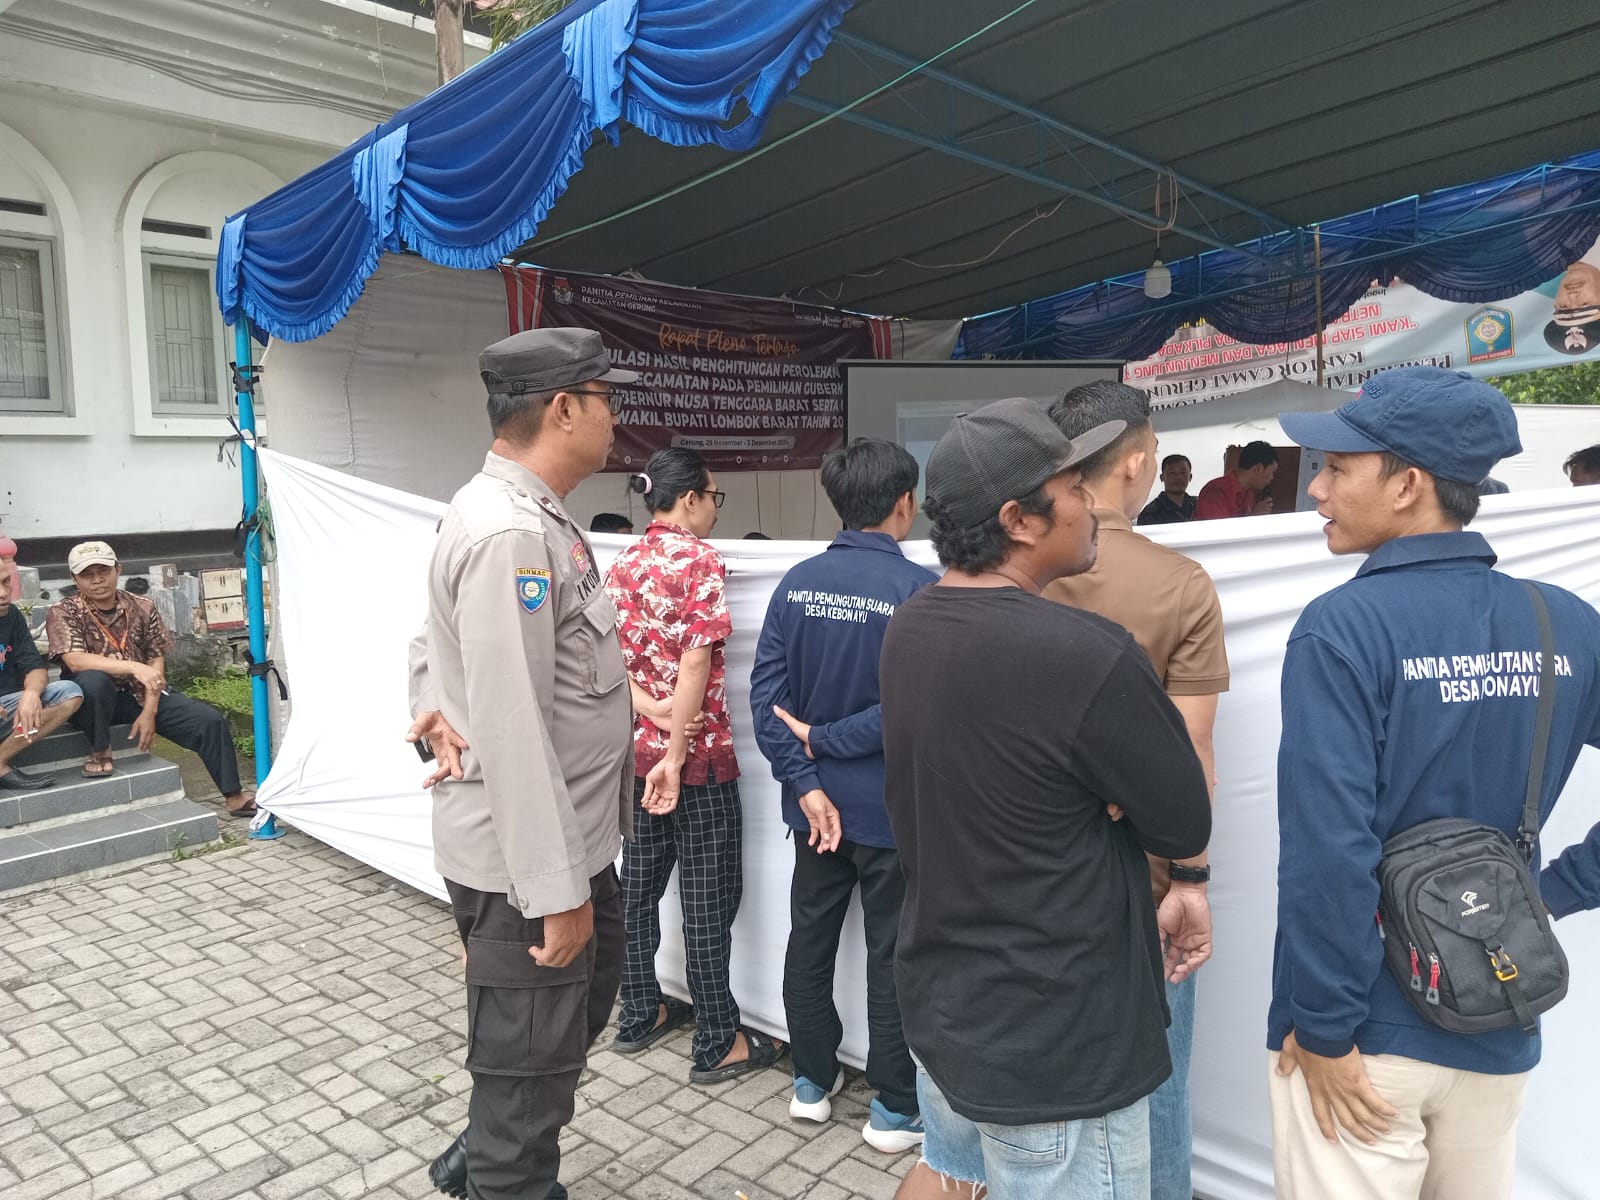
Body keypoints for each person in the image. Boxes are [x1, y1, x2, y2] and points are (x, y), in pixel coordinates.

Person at [1268, 366, 1600, 1200]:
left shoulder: (1344, 627)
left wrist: (1325, 1027)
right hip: (1498, 1007)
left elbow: (1327, 848)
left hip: (1365, 1033)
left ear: (1408, 484)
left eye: (1337, 467)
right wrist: (1551, 894)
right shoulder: (1563, 620)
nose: (1318, 490)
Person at [880, 397, 1212, 1199]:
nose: (1091, 503)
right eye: (1072, 488)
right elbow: (1181, 818)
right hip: (1059, 1038)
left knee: (948, 1169)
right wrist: (1108, 797)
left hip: (949, 998)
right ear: (1018, 520)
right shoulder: (1086, 655)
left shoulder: (911, 625)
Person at [407, 327, 637, 1200]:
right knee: (529, 1072)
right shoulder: (508, 530)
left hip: (570, 843)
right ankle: (502, 1169)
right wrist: (554, 892)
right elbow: (509, 725)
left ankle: (486, 1146)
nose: (616, 415)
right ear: (565, 408)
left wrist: (431, 704)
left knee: (562, 1027)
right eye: (607, 398)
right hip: (528, 870)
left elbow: (431, 640)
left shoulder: (526, 512)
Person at [1046, 381, 1229, 1200]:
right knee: (1157, 1090)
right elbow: (1192, 752)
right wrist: (1191, 877)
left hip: (1026, 876)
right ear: (1135, 460)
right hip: (1142, 883)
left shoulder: (1011, 568)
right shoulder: (1179, 582)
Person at [749, 437, 936, 1153]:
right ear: (905, 502)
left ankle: (810, 1081)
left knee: (811, 937)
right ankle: (893, 1108)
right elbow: (912, 709)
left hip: (815, 812)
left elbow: (767, 702)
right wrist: (825, 749)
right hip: (889, 812)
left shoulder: (796, 584)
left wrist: (807, 779)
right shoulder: (918, 591)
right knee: (892, 953)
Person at [602, 447, 784, 1083]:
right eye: (713, 497)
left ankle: (639, 1012)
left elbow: (606, 657)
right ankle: (716, 1040)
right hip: (696, 763)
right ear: (688, 500)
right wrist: (678, 753)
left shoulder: (623, 563)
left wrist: (651, 711)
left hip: (637, 756)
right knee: (708, 900)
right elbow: (697, 660)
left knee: (637, 889)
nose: (714, 509)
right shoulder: (699, 561)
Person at [45, 542, 253, 813]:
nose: (97, 580)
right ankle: (100, 749)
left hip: (139, 692)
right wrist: (134, 666)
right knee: (94, 679)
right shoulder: (64, 610)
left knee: (208, 721)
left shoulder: (143, 606)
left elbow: (156, 659)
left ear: (118, 570)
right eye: (87, 574)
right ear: (75, 579)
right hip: (92, 701)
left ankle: (234, 796)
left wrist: (150, 711)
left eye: (103, 571)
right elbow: (74, 659)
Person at [0, 564, 82, 791]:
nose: (3, 593)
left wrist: (31, 694)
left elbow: (35, 666)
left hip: (9, 709)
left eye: (6, 582)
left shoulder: (12, 616)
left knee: (69, 693)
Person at [1193, 440, 1279, 519]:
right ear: (1258, 468)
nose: (1272, 477)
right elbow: (1219, 529)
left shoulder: (1249, 493)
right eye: (1272, 471)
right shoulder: (1215, 492)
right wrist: (1254, 517)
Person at [1137, 453, 1198, 525]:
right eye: (1172, 473)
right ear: (1162, 477)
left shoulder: (1199, 505)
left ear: (1190, 477)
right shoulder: (1151, 512)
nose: (1178, 477)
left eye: (1183, 473)